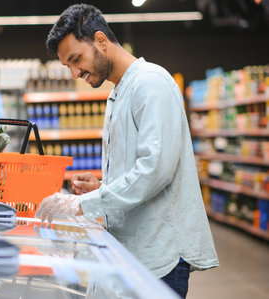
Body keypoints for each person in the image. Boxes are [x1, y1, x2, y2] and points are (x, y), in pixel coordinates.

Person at [35, 4, 219, 298]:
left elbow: (155, 170)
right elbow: (139, 172)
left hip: (161, 259)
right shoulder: (119, 93)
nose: (74, 72)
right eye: (67, 66)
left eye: (76, 59)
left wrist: (84, 204)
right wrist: (103, 186)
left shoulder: (150, 83)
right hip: (136, 254)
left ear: (101, 40)